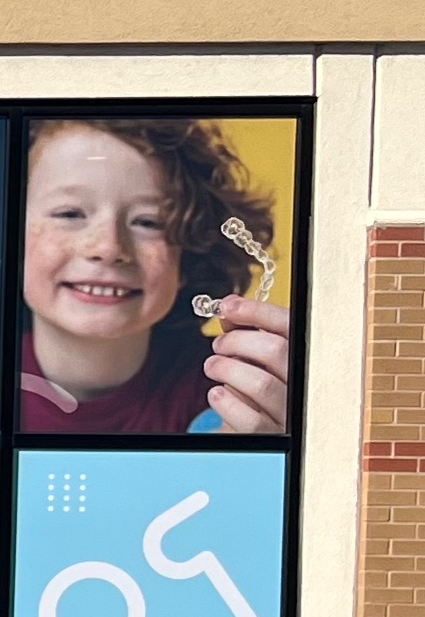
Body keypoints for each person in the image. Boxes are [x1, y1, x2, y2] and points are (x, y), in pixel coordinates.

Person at [18, 117, 291, 436]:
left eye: (148, 222)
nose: (109, 247)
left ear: (190, 251)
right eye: (69, 214)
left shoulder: (243, 390)